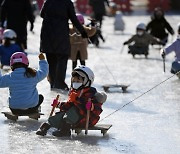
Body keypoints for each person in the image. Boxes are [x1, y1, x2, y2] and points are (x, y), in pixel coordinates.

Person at [36, 65, 107, 137]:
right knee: (60, 115)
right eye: (74, 80)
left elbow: (97, 110)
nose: (76, 82)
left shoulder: (91, 94)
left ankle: (65, 130)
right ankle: (45, 127)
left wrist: (92, 107)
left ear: (87, 81)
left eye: (78, 81)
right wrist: (59, 105)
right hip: (72, 118)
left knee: (73, 111)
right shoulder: (74, 92)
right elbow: (70, 105)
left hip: (87, 119)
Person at [40, 0, 88, 91]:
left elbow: (42, 14)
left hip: (47, 33)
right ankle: (60, 83)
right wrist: (83, 31)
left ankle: (53, 82)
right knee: (62, 58)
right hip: (61, 33)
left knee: (51, 59)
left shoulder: (48, 2)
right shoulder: (67, 3)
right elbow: (74, 19)